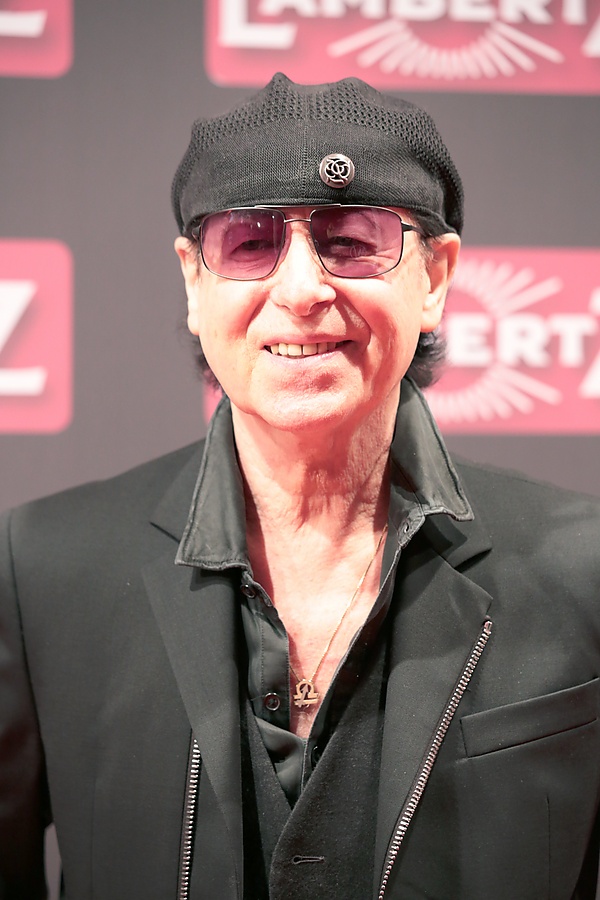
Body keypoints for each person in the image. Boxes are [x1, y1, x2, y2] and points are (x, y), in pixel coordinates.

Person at [1, 72, 599, 900]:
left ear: (434, 278)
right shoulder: (42, 569)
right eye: (250, 243)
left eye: (351, 239)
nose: (302, 289)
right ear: (193, 282)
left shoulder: (583, 570)